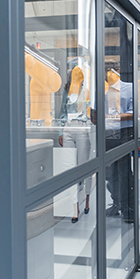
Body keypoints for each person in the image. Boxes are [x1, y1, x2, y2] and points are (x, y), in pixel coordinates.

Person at [58, 62, 92, 223]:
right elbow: (62, 112)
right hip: (68, 128)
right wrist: (60, 131)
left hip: (82, 128)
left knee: (84, 166)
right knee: (68, 168)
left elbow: (91, 112)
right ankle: (74, 207)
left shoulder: (86, 92)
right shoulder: (67, 91)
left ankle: (86, 200)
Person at [104, 66, 135, 223]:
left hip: (124, 132)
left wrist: (112, 117)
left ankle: (128, 208)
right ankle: (116, 204)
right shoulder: (103, 89)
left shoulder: (129, 88)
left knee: (124, 172)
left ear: (117, 71)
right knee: (110, 173)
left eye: (111, 71)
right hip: (107, 134)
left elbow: (133, 112)